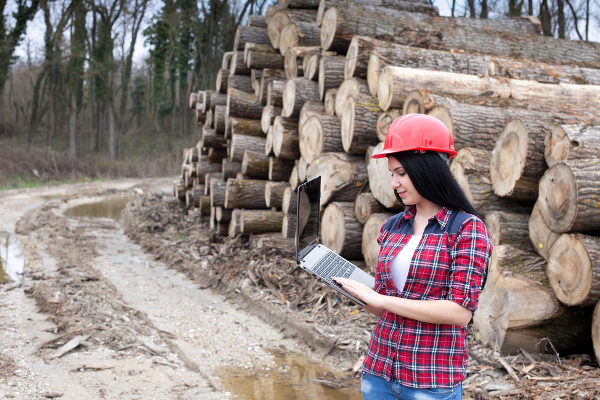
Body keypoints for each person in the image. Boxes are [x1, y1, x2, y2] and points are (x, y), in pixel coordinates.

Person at [334, 114, 492, 400]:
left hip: (429, 379)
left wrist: (382, 299)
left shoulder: (466, 228)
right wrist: (356, 291)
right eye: (392, 173)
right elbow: (385, 308)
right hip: (380, 371)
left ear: (428, 169)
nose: (394, 182)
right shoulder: (394, 227)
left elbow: (460, 313)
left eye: (401, 173)